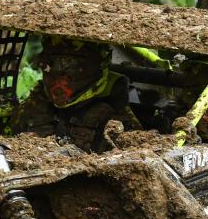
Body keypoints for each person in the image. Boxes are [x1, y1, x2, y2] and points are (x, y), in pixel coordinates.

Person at [9, 37, 140, 151]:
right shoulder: (35, 106)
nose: (59, 83)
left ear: (98, 66)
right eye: (50, 65)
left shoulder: (115, 120)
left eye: (72, 69)